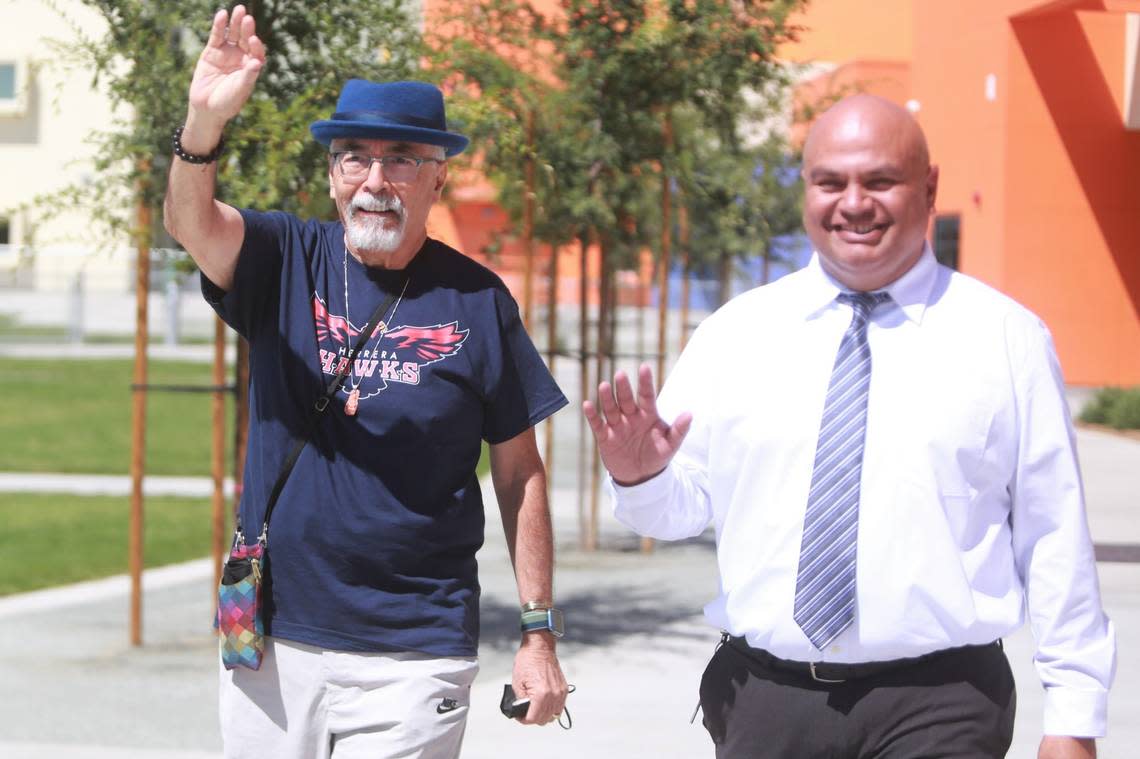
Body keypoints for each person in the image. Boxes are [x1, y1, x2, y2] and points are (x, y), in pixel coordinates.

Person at [584, 94, 1115, 759]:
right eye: (831, 181)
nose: (854, 202)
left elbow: (1054, 534)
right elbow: (677, 513)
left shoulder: (1006, 339)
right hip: (765, 702)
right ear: (805, 189)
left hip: (942, 702)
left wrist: (1074, 716)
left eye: (880, 180)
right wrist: (642, 474)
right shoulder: (736, 334)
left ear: (929, 188)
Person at [164, 6, 569, 757]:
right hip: (269, 637)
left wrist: (538, 629)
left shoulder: (479, 302)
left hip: (414, 651)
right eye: (354, 156)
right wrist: (201, 123)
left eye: (402, 159)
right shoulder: (284, 258)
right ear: (331, 173)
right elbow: (191, 223)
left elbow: (520, 472)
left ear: (438, 178)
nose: (374, 180)